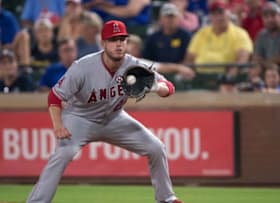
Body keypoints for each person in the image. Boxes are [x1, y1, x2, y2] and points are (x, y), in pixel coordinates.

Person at [27, 20, 182, 203]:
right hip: (80, 118)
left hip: (114, 118)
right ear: (103, 43)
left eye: (122, 39)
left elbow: (169, 87)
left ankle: (166, 198)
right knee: (63, 153)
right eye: (113, 39)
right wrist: (58, 124)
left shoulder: (134, 65)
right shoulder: (82, 67)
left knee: (156, 147)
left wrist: (157, 87)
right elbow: (54, 97)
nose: (118, 44)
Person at [185, 1, 253, 90]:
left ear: (228, 14)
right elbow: (189, 58)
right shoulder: (201, 33)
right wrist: (189, 73)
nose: (219, 17)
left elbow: (242, 58)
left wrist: (230, 76)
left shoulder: (240, 33)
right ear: (210, 17)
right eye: (214, 14)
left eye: (221, 13)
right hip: (201, 78)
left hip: (227, 79)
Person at [254, 2, 280, 89]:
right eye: (266, 16)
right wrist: (264, 65)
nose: (270, 19)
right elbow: (257, 57)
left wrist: (266, 63)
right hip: (270, 74)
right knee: (254, 73)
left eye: (273, 15)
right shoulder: (262, 35)